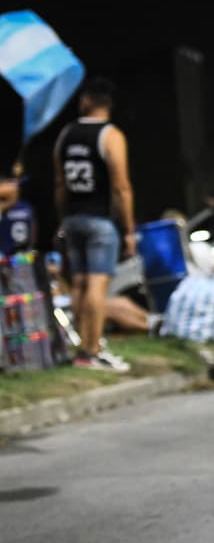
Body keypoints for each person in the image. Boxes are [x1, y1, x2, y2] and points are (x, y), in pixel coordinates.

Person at [52, 77, 135, 373]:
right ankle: (93, 349)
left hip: (72, 217)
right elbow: (121, 187)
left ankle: (81, 348)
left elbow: (59, 184)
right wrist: (128, 229)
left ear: (85, 100)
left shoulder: (66, 134)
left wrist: (63, 218)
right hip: (99, 219)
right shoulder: (110, 135)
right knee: (98, 284)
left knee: (78, 283)